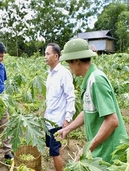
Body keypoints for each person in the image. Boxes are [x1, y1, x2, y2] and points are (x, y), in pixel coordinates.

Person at [57, 38, 128, 163]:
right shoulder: (90, 79)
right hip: (102, 150)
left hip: (111, 153)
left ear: (77, 61)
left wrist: (87, 149)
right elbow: (88, 111)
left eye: (69, 62)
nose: (69, 66)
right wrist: (68, 129)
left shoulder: (96, 80)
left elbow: (112, 121)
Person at [44, 43, 76, 171]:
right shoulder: (50, 73)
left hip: (58, 120)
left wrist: (67, 119)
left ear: (56, 56)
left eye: (48, 54)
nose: (45, 56)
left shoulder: (64, 73)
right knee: (56, 148)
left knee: (55, 151)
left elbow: (70, 97)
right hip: (49, 118)